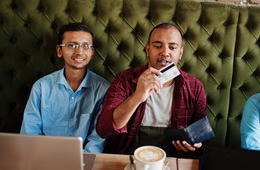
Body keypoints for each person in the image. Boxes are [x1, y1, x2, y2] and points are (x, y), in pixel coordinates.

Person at [96, 23, 207, 158]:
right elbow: (104, 130)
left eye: (172, 47)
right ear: (148, 49)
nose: (165, 52)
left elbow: (201, 137)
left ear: (180, 53)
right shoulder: (124, 79)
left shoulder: (194, 87)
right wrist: (137, 96)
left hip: (172, 159)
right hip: (128, 158)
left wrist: (194, 143)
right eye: (157, 46)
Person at [20, 22, 110, 153]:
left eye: (86, 46)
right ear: (59, 51)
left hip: (84, 161)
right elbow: (29, 134)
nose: (79, 52)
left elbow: (96, 141)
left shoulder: (103, 89)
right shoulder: (41, 87)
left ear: (92, 52)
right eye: (72, 45)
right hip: (43, 157)